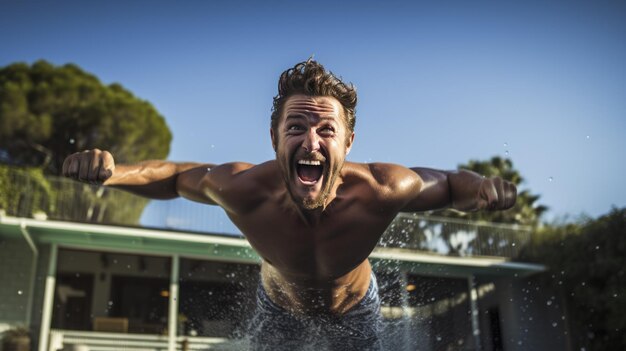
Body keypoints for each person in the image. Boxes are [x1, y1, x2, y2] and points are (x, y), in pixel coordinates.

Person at [62, 60, 516, 350]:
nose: (311, 141)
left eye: (326, 130)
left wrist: (482, 189)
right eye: (296, 127)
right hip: (277, 311)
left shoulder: (381, 189)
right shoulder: (244, 188)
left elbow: (451, 185)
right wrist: (113, 172)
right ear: (274, 138)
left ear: (349, 142)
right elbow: (176, 177)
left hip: (356, 313)